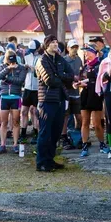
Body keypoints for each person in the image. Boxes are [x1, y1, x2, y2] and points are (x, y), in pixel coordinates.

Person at [35, 35, 74, 172]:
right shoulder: (42, 60)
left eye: (56, 42)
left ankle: (50, 159)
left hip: (60, 99)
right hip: (47, 100)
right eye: (52, 42)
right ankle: (41, 162)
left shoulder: (60, 59)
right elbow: (49, 80)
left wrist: (59, 76)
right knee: (45, 132)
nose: (55, 44)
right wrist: (61, 78)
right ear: (46, 45)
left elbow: (71, 74)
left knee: (56, 132)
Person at [75, 43, 106, 158]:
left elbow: (103, 81)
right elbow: (81, 79)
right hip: (85, 95)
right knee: (85, 122)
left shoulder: (100, 65)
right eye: (84, 52)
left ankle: (102, 144)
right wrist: (77, 84)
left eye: (87, 51)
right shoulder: (84, 66)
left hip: (96, 95)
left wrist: (87, 83)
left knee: (97, 123)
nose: (85, 54)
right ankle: (84, 145)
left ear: (94, 52)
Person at [0, 51, 26, 154]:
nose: (11, 62)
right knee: (3, 122)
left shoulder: (21, 68)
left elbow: (20, 80)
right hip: (4, 96)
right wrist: (8, 69)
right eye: (9, 60)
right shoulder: (2, 66)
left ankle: (15, 144)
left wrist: (7, 79)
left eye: (13, 60)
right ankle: (2, 144)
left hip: (16, 96)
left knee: (16, 121)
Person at [61, 40, 83, 150]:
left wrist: (82, 79)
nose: (74, 49)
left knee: (79, 117)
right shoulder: (64, 60)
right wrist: (71, 80)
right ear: (68, 48)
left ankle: (78, 137)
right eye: (72, 47)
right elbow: (61, 75)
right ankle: (64, 138)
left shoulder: (79, 59)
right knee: (65, 116)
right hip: (66, 92)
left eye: (76, 47)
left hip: (76, 93)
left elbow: (81, 74)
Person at [20, 40, 41, 144]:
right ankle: (23, 133)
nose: (31, 52)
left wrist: (31, 68)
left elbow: (39, 71)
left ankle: (36, 133)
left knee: (35, 112)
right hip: (28, 87)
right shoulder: (27, 57)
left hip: (37, 88)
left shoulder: (41, 58)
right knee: (24, 111)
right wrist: (24, 67)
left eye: (33, 50)